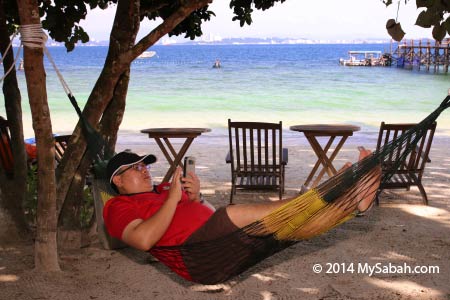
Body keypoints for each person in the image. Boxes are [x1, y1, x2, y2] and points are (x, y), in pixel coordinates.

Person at [103, 148, 379, 253]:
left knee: (293, 227)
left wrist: (197, 197)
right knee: (279, 210)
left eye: (145, 165)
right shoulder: (117, 206)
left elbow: (207, 213)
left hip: (219, 232)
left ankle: (354, 206)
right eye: (136, 168)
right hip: (199, 249)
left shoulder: (164, 188)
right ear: (117, 180)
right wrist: (173, 199)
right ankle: (335, 188)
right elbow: (142, 241)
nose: (145, 170)